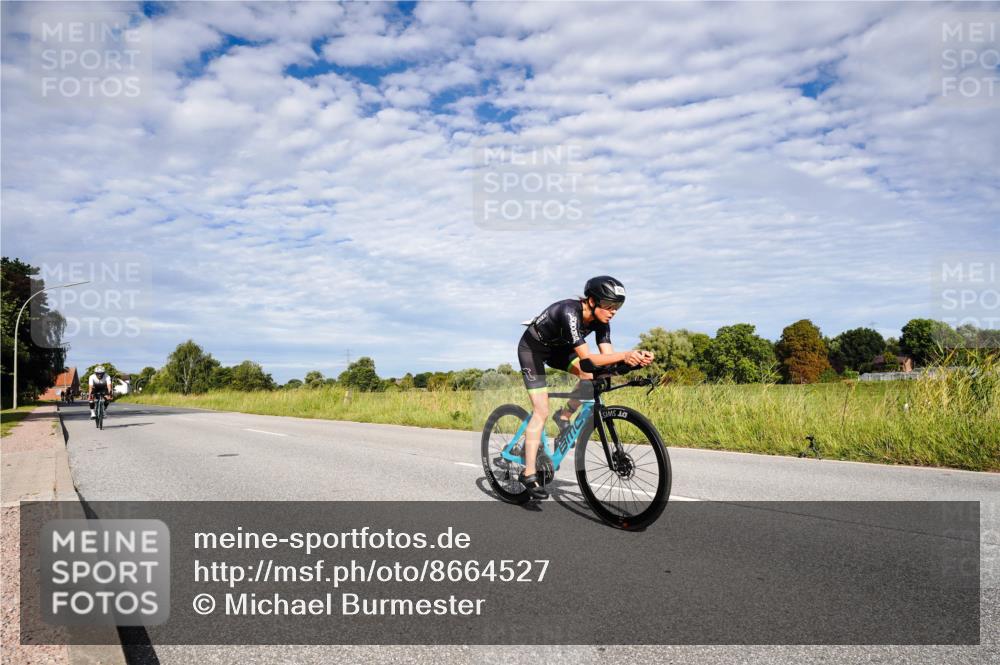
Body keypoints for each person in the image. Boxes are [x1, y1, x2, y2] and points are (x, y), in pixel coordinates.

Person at [516, 276, 654, 499]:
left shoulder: (602, 323)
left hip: (561, 351)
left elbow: (606, 360)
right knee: (541, 410)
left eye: (617, 307)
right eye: (609, 306)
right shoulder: (569, 312)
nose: (613, 312)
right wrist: (625, 355)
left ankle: (564, 414)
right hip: (533, 350)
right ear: (591, 301)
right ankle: (528, 472)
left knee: (592, 375)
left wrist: (631, 362)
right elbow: (588, 357)